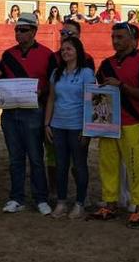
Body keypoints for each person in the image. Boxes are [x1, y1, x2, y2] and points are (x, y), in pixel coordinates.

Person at [90, 23, 139, 229]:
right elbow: (97, 92)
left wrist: (122, 87)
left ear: (133, 39)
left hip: (131, 122)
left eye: (120, 37)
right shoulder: (107, 63)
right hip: (107, 123)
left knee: (135, 167)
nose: (115, 40)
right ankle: (109, 205)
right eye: (113, 37)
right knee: (107, 165)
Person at [0, 13, 54, 215]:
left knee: (36, 158)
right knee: (15, 159)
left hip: (34, 112)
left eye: (23, 30)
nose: (19, 33)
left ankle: (41, 198)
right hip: (10, 113)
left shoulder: (48, 55)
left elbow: (53, 86)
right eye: (17, 29)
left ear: (34, 31)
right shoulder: (8, 55)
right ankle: (16, 198)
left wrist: (42, 92)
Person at [45, 37, 95, 218]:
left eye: (69, 49)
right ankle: (61, 202)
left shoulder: (86, 73)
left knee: (80, 165)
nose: (65, 52)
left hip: (77, 126)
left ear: (77, 51)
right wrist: (47, 123)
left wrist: (87, 128)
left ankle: (80, 203)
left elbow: (91, 101)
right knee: (61, 165)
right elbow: (51, 99)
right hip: (58, 125)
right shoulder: (56, 73)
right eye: (63, 49)